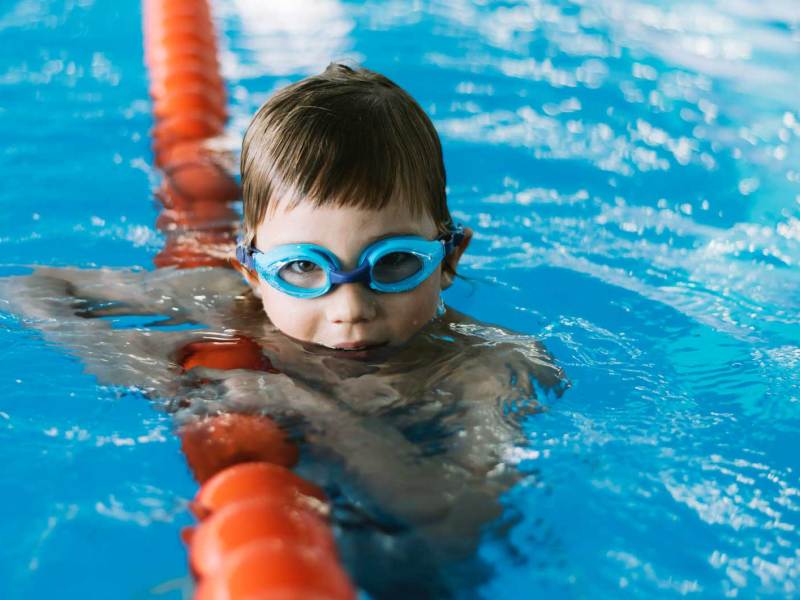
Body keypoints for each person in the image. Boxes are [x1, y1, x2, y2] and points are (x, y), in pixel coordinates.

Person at [0, 63, 565, 598]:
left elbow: (460, 522)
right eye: (301, 268)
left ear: (447, 259)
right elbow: (30, 289)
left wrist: (307, 408)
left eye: (393, 263)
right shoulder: (229, 302)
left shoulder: (490, 369)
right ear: (252, 272)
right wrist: (147, 372)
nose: (349, 307)